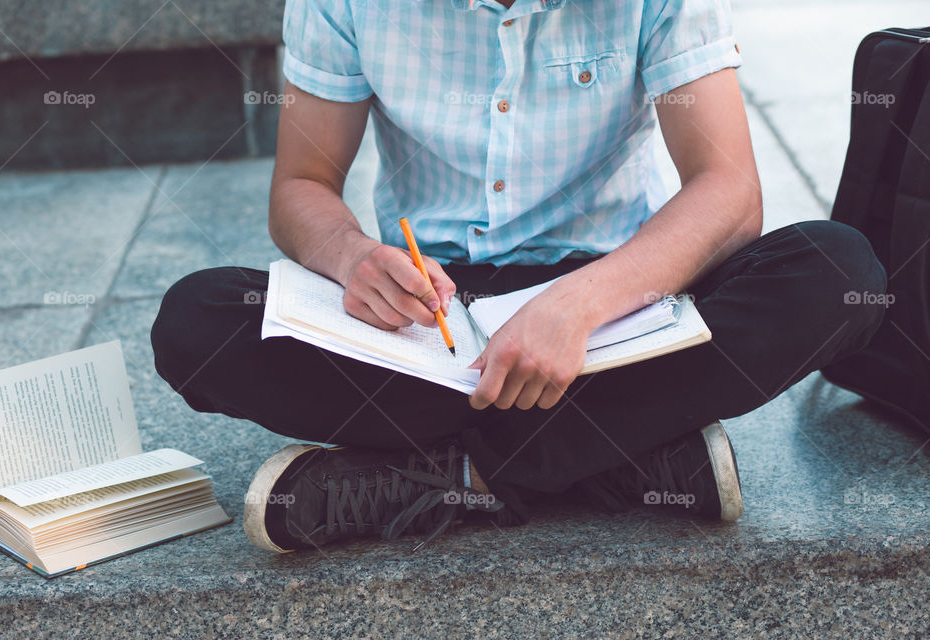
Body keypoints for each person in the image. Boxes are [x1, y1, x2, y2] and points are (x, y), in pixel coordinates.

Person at [151, 0, 887, 553]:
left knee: (834, 269)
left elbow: (728, 189)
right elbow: (302, 185)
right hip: (429, 315)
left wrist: (584, 302)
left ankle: (423, 481)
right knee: (197, 321)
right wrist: (351, 257)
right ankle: (614, 454)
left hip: (614, 309)